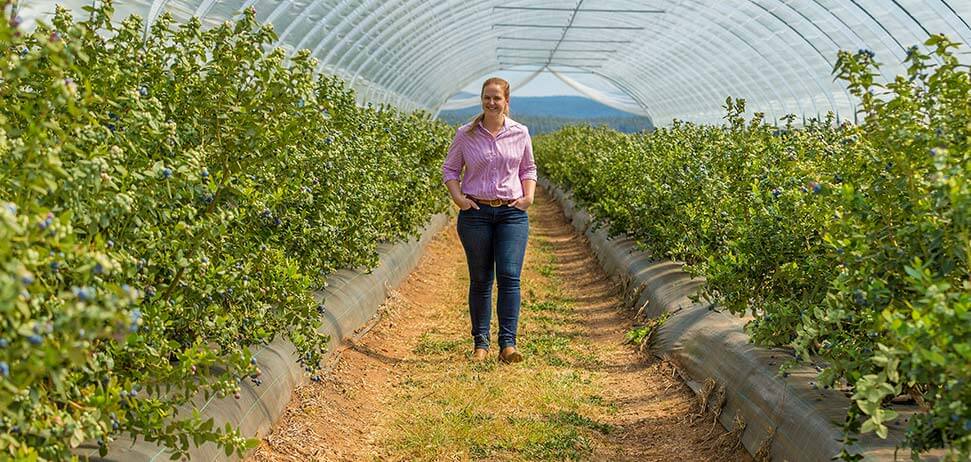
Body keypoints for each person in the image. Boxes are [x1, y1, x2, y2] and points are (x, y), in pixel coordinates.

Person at [442, 77, 537, 363]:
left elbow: (528, 168)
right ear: (481, 100)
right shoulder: (466, 134)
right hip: (476, 214)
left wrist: (528, 197)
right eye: (487, 98)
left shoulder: (520, 133)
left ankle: (508, 344)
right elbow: (450, 169)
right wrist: (459, 199)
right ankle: (480, 345)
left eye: (497, 98)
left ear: (506, 101)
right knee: (481, 279)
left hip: (511, 213)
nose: (492, 103)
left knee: (509, 276)